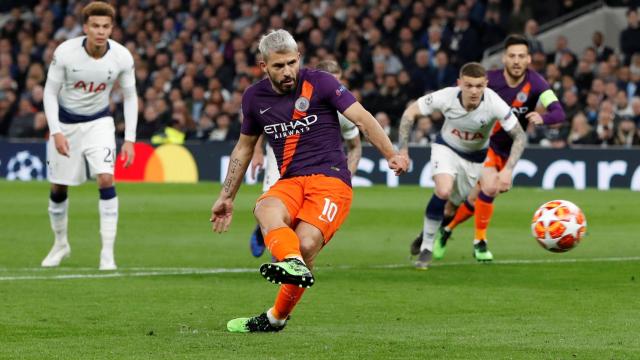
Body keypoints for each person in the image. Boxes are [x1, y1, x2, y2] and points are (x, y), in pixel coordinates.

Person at [210, 29, 408, 333]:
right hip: (291, 180)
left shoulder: (321, 82)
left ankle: (276, 316)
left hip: (331, 180)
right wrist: (227, 196)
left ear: (299, 57)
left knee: (306, 244)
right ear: (263, 66)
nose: (287, 71)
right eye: (278, 66)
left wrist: (391, 153)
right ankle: (288, 269)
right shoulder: (253, 97)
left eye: (291, 63)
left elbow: (363, 118)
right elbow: (245, 146)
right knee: (265, 209)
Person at [414, 34, 565, 262]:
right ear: (504, 58)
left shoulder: (537, 84)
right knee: (491, 187)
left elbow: (559, 112)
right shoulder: (489, 80)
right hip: (482, 145)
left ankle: (444, 230)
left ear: (529, 59)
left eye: (521, 56)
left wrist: (544, 118)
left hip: (508, 149)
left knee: (467, 202)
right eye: (512, 56)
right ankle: (480, 242)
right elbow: (460, 95)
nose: (516, 60)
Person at [398, 61, 527, 270]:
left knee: (450, 209)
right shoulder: (446, 96)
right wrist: (403, 149)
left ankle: (425, 234)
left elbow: (519, 136)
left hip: (474, 159)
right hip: (446, 148)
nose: (474, 91)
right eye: (469, 85)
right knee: (443, 190)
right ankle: (427, 249)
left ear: (486, 84)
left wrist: (508, 170)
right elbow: (410, 112)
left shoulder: (495, 103)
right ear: (460, 84)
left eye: (479, 86)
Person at [41, 2, 138, 271]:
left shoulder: (121, 56)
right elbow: (49, 93)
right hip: (66, 123)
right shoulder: (65, 53)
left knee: (106, 178)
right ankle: (60, 243)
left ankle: (107, 254)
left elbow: (130, 96)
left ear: (111, 28)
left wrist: (129, 138)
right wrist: (56, 131)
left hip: (99, 122)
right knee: (59, 186)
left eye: (106, 26)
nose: (100, 31)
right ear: (85, 28)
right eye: (95, 26)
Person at [248, 59, 363, 258]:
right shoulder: (292, 100)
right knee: (272, 209)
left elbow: (355, 147)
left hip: (318, 169)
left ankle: (286, 263)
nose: (336, 90)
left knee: (301, 232)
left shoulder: (344, 112)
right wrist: (257, 151)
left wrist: (344, 178)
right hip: (281, 159)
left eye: (339, 83)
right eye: (332, 82)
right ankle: (266, 236)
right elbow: (259, 123)